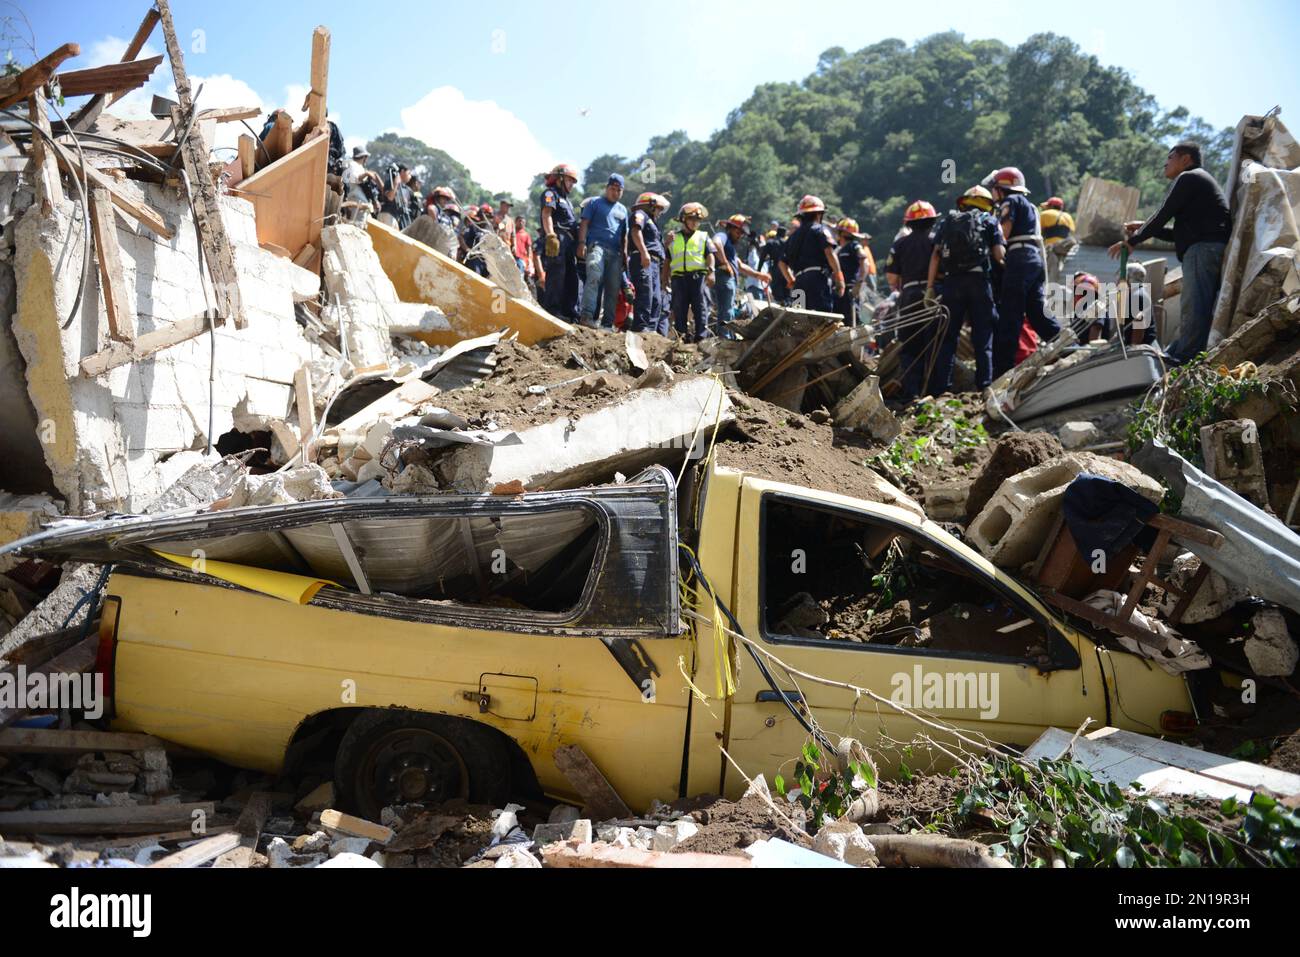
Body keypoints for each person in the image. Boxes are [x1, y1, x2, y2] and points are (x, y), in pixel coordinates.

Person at [1109, 141, 1231, 363]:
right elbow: (1177, 234)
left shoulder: (1189, 177)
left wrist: (1133, 240)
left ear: (1186, 159)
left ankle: (1184, 356)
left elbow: (1163, 212)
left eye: (1170, 157)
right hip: (1203, 247)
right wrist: (1144, 227)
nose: (1165, 163)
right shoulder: (1198, 184)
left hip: (1202, 249)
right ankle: (1184, 352)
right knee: (1196, 303)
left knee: (1194, 305)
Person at [926, 186, 1005, 395]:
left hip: (952, 283)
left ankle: (943, 389)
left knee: (948, 337)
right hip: (979, 282)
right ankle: (984, 386)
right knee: (983, 335)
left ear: (964, 202)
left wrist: (929, 288)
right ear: (988, 204)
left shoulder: (948, 221)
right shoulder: (989, 221)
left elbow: (935, 255)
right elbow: (998, 255)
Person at [989, 166, 1058, 377]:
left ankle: (1002, 372)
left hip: (1018, 259)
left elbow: (1005, 233)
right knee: (1037, 313)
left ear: (1002, 189)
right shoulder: (1031, 207)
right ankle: (1065, 345)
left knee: (1011, 315)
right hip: (1034, 259)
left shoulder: (1010, 202)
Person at [885, 201, 940, 399]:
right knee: (935, 342)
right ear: (933, 221)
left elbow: (891, 278)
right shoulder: (937, 241)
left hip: (908, 296)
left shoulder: (900, 244)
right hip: (933, 295)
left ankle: (912, 393)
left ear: (908, 223)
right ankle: (936, 391)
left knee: (910, 345)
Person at [578, 174, 629, 328]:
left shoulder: (623, 210)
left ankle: (607, 324)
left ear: (622, 191)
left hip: (616, 253)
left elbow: (624, 235)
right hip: (597, 246)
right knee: (594, 275)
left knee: (613, 287)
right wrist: (581, 243)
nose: (615, 193)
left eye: (619, 190)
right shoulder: (594, 203)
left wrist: (625, 254)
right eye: (612, 189)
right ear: (607, 188)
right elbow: (584, 223)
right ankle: (586, 316)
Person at [779, 195, 843, 313]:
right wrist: (839, 278)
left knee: (799, 321)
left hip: (798, 282)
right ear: (819, 214)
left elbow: (782, 263)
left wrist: (791, 281)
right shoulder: (820, 229)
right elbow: (829, 253)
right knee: (822, 318)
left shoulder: (792, 237)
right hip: (818, 280)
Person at [712, 214, 769, 335]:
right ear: (731, 228)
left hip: (729, 280)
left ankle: (728, 336)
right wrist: (725, 263)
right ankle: (725, 337)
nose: (740, 235)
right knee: (726, 310)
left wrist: (759, 275)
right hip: (724, 278)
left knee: (729, 310)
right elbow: (716, 243)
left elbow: (740, 266)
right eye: (739, 232)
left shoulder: (730, 248)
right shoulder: (722, 236)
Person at [668, 202, 717, 342]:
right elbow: (667, 260)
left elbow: (710, 256)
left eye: (698, 220)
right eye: (692, 219)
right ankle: (681, 338)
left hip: (697, 278)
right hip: (678, 280)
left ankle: (701, 338)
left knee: (700, 308)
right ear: (684, 219)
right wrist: (664, 279)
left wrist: (711, 271)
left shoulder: (703, 236)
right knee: (679, 309)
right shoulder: (673, 238)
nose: (695, 223)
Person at [539, 163, 581, 320]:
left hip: (569, 242)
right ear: (559, 179)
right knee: (557, 274)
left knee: (571, 276)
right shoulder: (550, 194)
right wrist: (550, 235)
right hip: (557, 238)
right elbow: (546, 214)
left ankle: (569, 312)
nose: (572, 185)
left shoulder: (567, 201)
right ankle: (552, 310)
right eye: (570, 180)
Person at [627, 192, 670, 335]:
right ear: (650, 206)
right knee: (645, 294)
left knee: (656, 299)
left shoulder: (653, 223)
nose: (660, 212)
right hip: (643, 259)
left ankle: (650, 330)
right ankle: (640, 327)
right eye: (658, 208)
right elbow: (635, 231)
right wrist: (644, 252)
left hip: (655, 263)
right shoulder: (640, 214)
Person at [834, 218, 870, 326]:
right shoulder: (839, 250)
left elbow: (865, 262)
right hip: (839, 290)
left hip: (850, 288)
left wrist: (858, 284)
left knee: (851, 320)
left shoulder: (854, 246)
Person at [1040, 196, 1077, 285]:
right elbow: (1072, 231)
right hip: (1066, 247)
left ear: (1051, 206)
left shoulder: (1045, 214)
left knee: (1050, 269)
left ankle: (1050, 286)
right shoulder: (1068, 216)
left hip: (1052, 247)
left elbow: (1038, 232)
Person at [341, 146, 381, 222]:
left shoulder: (360, 167)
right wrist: (366, 174)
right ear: (364, 157)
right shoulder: (352, 164)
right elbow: (356, 179)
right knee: (358, 224)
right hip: (356, 200)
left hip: (363, 202)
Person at [760, 227, 789, 304]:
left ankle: (779, 305)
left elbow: (762, 257)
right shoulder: (787, 243)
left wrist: (758, 270)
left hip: (774, 268)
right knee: (786, 290)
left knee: (776, 290)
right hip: (786, 269)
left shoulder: (770, 243)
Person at [380, 164, 413, 229]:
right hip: (387, 215)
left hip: (397, 218)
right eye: (409, 173)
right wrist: (396, 183)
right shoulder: (391, 182)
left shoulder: (406, 189)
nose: (410, 176)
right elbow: (390, 197)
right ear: (402, 171)